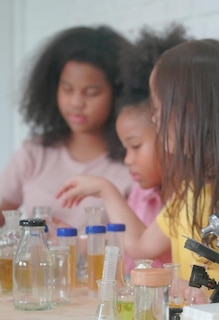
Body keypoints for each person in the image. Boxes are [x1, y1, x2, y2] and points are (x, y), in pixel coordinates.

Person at [57, 38, 219, 299]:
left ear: (192, 110)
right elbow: (140, 246)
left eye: (160, 108)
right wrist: (104, 190)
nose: (155, 119)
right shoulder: (188, 192)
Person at [0, 25, 133, 242]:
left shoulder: (132, 162)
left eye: (91, 93)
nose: (76, 103)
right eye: (67, 89)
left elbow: (140, 239)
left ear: (119, 94)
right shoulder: (35, 153)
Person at [54, 24, 188, 272]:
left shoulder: (186, 198)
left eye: (136, 146)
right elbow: (123, 244)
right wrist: (71, 240)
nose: (127, 160)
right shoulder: (140, 192)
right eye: (125, 148)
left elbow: (139, 246)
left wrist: (105, 189)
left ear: (169, 134)